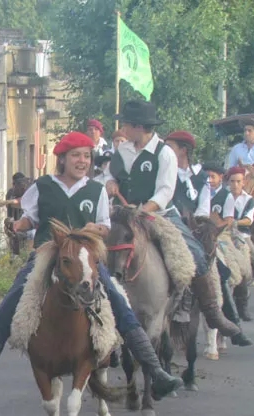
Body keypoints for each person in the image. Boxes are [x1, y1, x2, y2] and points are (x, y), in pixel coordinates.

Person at [0, 132, 182, 405]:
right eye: (76, 155)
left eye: (86, 156)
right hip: (47, 255)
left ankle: (157, 373)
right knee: (6, 311)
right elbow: (29, 219)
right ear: (62, 159)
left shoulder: (96, 190)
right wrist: (19, 226)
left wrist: (98, 229)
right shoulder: (43, 186)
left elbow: (105, 225)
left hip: (84, 258)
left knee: (121, 305)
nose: (82, 161)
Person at [105, 99, 245, 342]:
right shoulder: (123, 150)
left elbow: (165, 191)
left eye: (125, 125)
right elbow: (109, 173)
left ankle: (213, 311)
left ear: (138, 126)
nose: (123, 130)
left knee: (196, 254)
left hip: (157, 214)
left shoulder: (164, 153)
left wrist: (143, 210)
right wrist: (109, 182)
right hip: (121, 215)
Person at [217, 166, 254, 310]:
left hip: (242, 234)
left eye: (238, 181)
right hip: (223, 234)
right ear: (228, 182)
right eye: (232, 181)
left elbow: (249, 220)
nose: (235, 185)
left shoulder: (249, 200)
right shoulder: (222, 195)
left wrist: (235, 222)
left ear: (244, 182)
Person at [165, 131, 210, 219]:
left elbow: (204, 208)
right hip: (169, 220)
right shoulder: (166, 172)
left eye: (170, 147)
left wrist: (194, 222)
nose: (166, 151)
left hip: (195, 224)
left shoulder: (202, 176)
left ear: (183, 150)